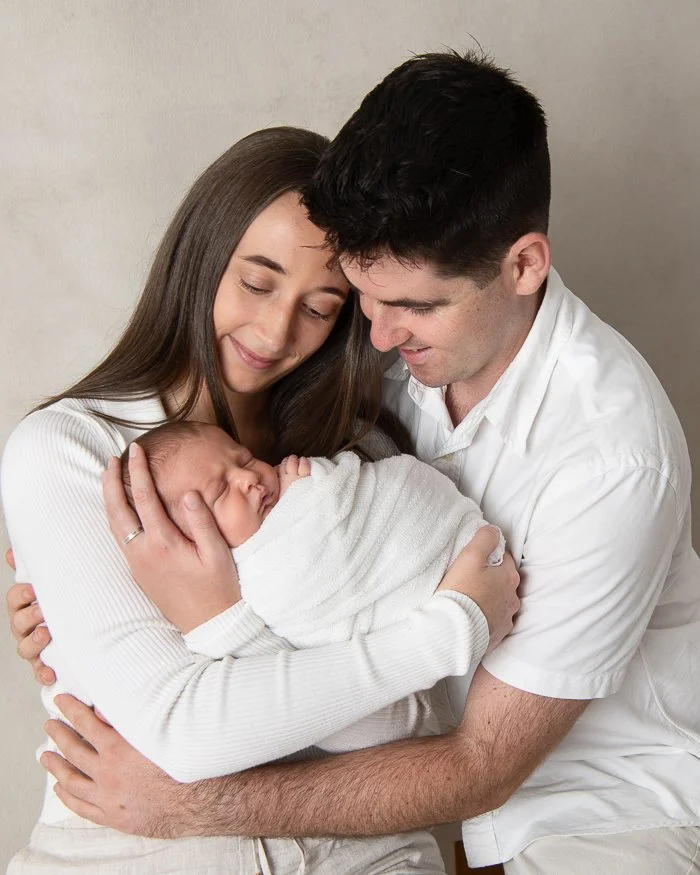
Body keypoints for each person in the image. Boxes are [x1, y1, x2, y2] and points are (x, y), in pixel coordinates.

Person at [14, 49, 699, 873]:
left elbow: (472, 759)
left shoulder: (606, 457)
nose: (369, 336)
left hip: (601, 812)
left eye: (402, 307)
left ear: (523, 265)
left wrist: (188, 784)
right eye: (361, 301)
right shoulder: (360, 382)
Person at [1, 124, 520, 874]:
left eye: (320, 306)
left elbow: (406, 727)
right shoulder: (71, 453)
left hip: (364, 856)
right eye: (257, 280)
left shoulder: (360, 459)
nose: (277, 331)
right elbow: (182, 730)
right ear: (201, 255)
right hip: (133, 853)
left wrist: (221, 627)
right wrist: (444, 628)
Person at [118, 421, 505, 671]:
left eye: (245, 459)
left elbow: (360, 495)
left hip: (450, 546)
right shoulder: (247, 585)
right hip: (433, 631)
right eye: (221, 491)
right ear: (187, 542)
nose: (248, 478)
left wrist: (316, 488)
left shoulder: (296, 486)